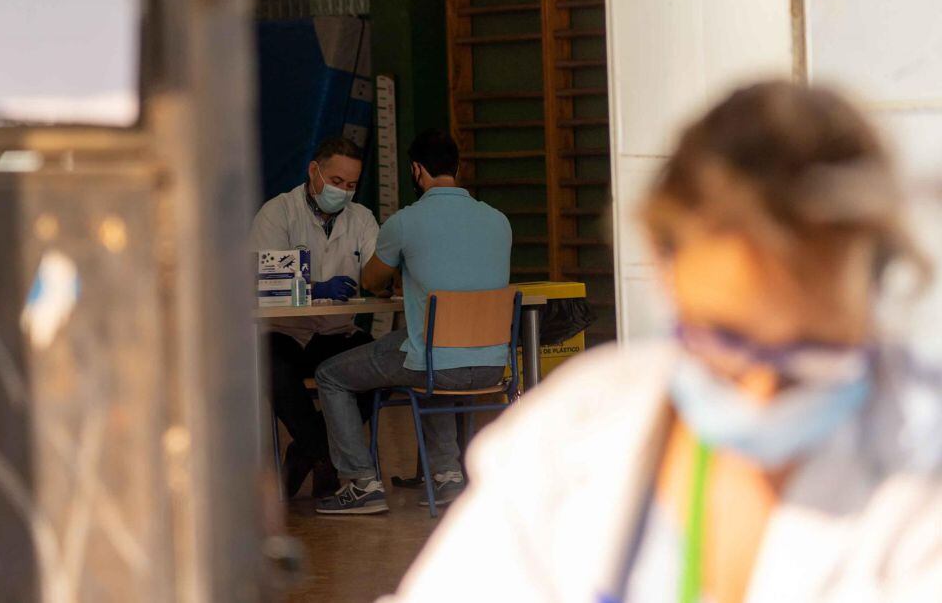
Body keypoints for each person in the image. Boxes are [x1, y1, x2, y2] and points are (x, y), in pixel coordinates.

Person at [384, 82, 942, 601]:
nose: (761, 389)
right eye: (725, 340)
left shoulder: (922, 477)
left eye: (811, 354)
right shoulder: (579, 427)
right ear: (662, 268)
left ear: (875, 295)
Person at [313, 129, 513, 515]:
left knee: (332, 375)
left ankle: (361, 483)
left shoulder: (405, 222)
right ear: (458, 168)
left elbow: (372, 281)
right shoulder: (499, 221)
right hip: (492, 363)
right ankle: (448, 475)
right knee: (426, 353)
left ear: (416, 171)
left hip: (436, 362)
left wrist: (395, 276)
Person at [250, 136, 380, 498]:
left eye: (351, 185)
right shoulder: (277, 213)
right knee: (271, 367)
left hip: (336, 333)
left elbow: (376, 272)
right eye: (336, 181)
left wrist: (387, 277)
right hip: (286, 333)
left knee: (378, 368)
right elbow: (259, 279)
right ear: (314, 172)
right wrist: (315, 288)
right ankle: (323, 455)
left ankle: (304, 452)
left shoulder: (362, 219)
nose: (343, 191)